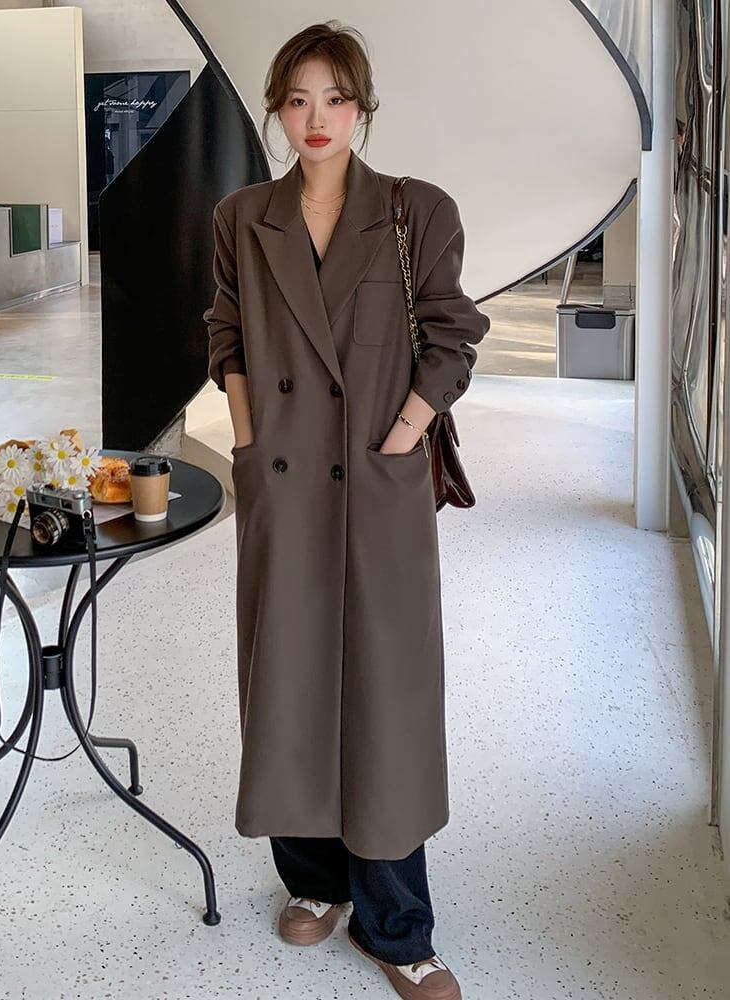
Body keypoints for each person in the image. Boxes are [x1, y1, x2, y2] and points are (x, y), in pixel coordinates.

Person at [203, 20, 490, 1000]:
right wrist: (248, 437)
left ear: (362, 106)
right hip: (284, 483)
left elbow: (452, 335)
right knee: (287, 680)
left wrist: (401, 439)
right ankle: (315, 881)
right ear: (277, 112)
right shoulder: (242, 217)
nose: (315, 118)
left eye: (333, 97)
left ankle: (398, 925)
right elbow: (227, 332)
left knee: (384, 698)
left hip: (377, 486)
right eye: (297, 100)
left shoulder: (417, 211)